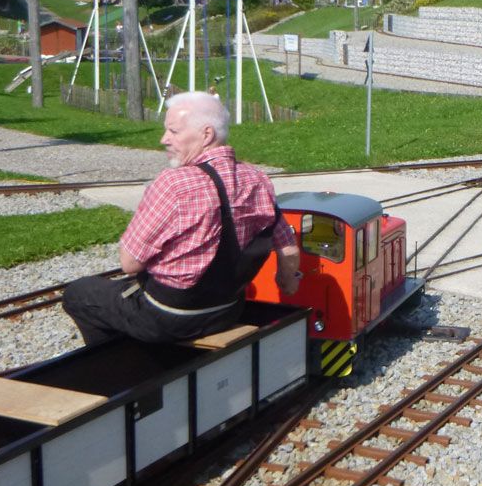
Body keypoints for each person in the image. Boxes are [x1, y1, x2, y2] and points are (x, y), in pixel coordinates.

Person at [62, 91, 302, 346]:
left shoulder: (174, 184)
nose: (163, 139)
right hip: (226, 310)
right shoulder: (258, 179)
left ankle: (115, 365)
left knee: (79, 294)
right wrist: (287, 282)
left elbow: (130, 263)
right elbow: (288, 247)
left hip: (168, 318)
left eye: (173, 132)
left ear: (206, 134)